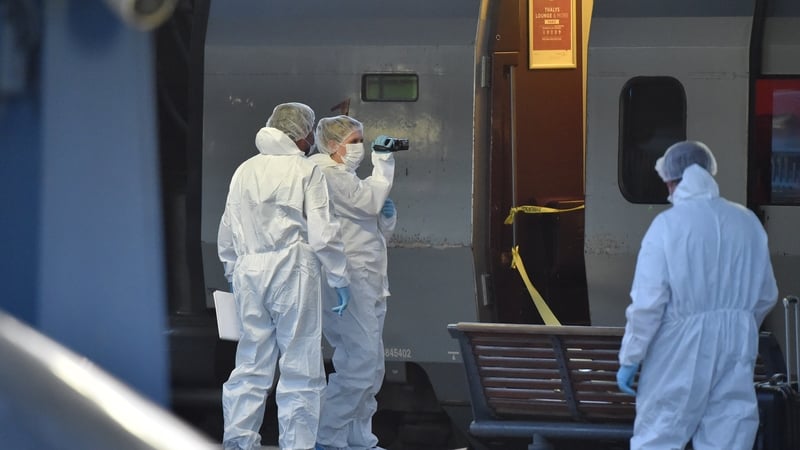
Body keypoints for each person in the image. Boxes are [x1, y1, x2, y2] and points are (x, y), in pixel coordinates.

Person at [616, 140, 779, 450]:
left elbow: (648, 303)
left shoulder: (666, 226)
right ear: (709, 173)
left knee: (659, 437)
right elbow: (766, 294)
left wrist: (631, 356)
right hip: (735, 345)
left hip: (678, 349)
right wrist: (738, 323)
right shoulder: (747, 222)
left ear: (670, 179)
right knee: (729, 437)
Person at [218, 102, 353, 450]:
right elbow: (323, 235)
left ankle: (237, 441)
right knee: (300, 367)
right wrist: (339, 278)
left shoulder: (244, 170)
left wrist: (235, 272)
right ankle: (298, 445)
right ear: (303, 134)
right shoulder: (307, 171)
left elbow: (227, 230)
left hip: (249, 272)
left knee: (250, 363)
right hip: (293, 271)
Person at [308, 115, 396, 450]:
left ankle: (359, 437)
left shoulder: (348, 177)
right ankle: (328, 437)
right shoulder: (328, 175)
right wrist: (384, 163)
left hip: (370, 280)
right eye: (354, 141)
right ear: (333, 145)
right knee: (358, 365)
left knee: (372, 367)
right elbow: (368, 202)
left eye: (361, 140)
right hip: (349, 280)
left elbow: (369, 231)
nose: (360, 147)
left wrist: (387, 221)